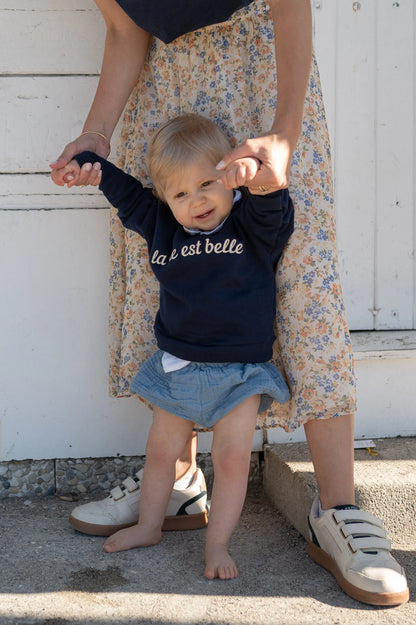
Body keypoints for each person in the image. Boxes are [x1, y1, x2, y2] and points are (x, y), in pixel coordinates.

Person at [50, 0, 409, 605]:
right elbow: (123, 25)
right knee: (169, 272)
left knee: (302, 280)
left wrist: (285, 131)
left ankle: (340, 509)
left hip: (262, 81)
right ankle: (179, 482)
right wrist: (98, 133)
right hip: (166, 91)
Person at [66, 113, 294, 579]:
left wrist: (259, 178)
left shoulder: (251, 227)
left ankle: (218, 546)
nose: (198, 200)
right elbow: (128, 195)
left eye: (208, 183)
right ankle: (150, 525)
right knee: (159, 453)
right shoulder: (163, 228)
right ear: (166, 200)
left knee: (231, 460)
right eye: (181, 194)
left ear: (230, 178)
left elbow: (273, 203)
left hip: (240, 372)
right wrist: (92, 163)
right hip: (178, 367)